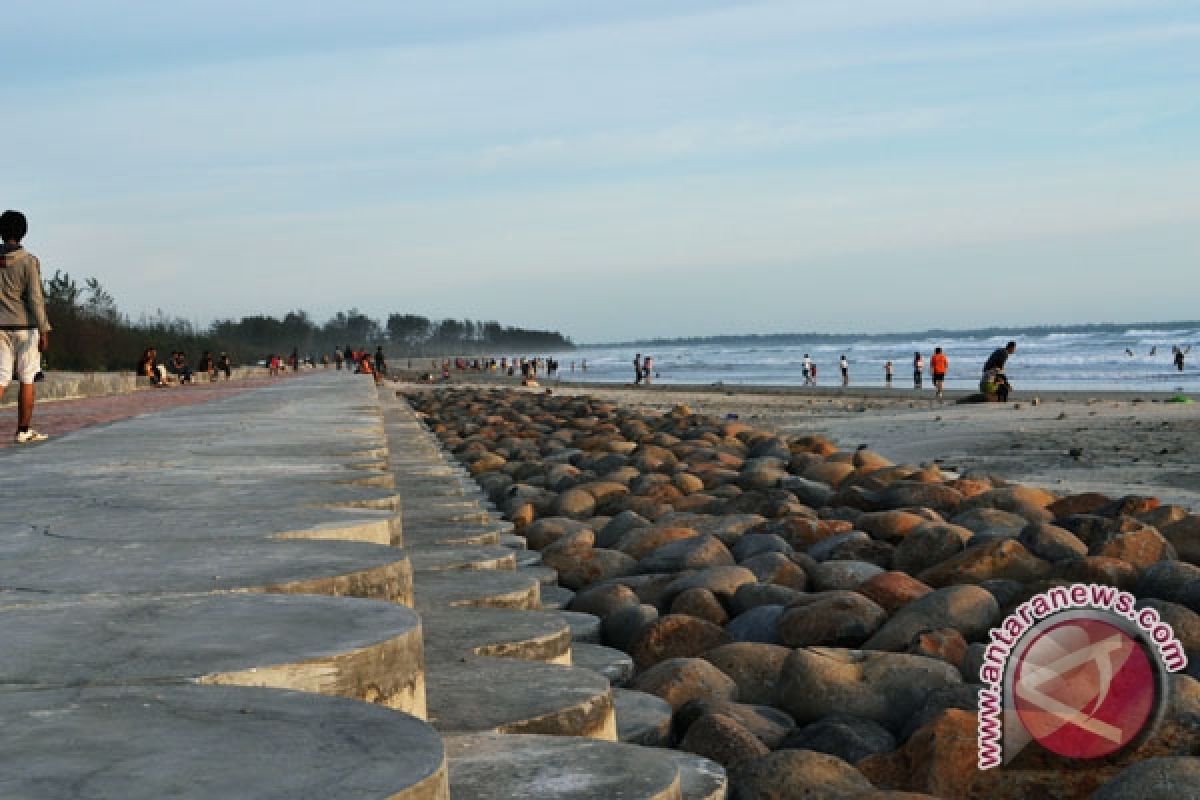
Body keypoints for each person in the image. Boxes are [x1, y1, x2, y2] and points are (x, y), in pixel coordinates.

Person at [0, 211, 53, 443]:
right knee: (27, 378)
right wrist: (44, 329)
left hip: (0, 326)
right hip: (25, 326)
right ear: (23, 232)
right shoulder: (29, 261)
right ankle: (23, 430)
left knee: (1, 378)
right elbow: (35, 299)